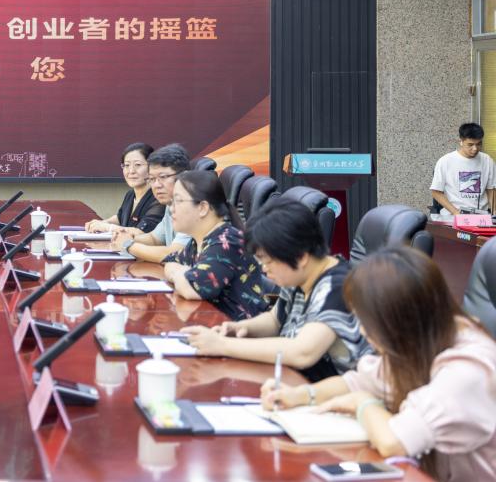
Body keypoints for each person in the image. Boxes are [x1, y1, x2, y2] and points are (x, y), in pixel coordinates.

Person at [263, 246, 496, 481]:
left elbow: (393, 442)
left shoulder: (468, 369)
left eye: (367, 322)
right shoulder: (423, 337)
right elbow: (357, 382)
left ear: (399, 321)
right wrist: (300, 395)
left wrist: (363, 403)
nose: (363, 331)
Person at [181, 199, 370, 381]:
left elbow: (303, 353)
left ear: (301, 257)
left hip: (327, 392)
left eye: (268, 261)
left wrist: (223, 345)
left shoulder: (337, 287)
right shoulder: (302, 275)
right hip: (291, 380)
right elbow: (275, 320)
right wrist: (241, 328)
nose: (264, 269)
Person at [162, 170, 271, 321]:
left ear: (203, 208)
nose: (171, 208)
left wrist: (180, 275)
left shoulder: (226, 242)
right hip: (213, 324)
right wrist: (181, 273)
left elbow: (192, 289)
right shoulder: (199, 241)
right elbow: (169, 261)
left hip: (240, 330)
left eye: (178, 201)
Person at [110, 143, 193, 262]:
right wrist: (125, 238)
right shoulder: (171, 204)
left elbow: (174, 253)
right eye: (152, 179)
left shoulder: (192, 206)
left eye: (163, 177)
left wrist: (128, 245)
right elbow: (155, 238)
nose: (156, 185)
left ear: (184, 176)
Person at [85, 142, 163, 233]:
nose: (131, 171)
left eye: (138, 165)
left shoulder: (159, 196)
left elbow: (142, 232)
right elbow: (120, 218)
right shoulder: (130, 194)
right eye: (127, 165)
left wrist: (108, 227)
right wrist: (102, 223)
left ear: (152, 166)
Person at [430, 122, 496, 215]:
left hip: (481, 216)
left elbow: (491, 190)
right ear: (461, 141)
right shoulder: (445, 161)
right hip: (453, 215)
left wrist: (494, 212)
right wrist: (456, 212)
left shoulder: (487, 160)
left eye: (478, 144)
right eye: (470, 144)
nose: (475, 149)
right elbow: (436, 192)